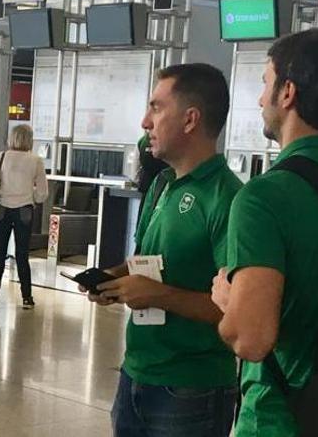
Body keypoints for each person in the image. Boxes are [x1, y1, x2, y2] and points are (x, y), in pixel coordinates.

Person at [212, 29, 318, 436]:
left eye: (266, 83)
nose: (261, 98)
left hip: (282, 418)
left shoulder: (264, 197)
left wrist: (228, 297)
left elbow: (251, 339)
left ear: (288, 93)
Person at [86, 64, 242, 437]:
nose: (144, 122)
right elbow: (146, 258)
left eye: (156, 108)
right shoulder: (162, 186)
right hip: (136, 373)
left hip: (192, 387)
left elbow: (238, 309)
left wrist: (160, 295)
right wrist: (114, 278)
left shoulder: (229, 199)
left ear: (190, 119)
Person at [0, 124, 48, 310]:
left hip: (2, 209)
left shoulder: (2, 157)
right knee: (22, 254)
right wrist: (30, 195)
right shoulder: (36, 161)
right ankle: (27, 298)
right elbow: (43, 194)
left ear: (12, 138)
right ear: (30, 139)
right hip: (25, 210)